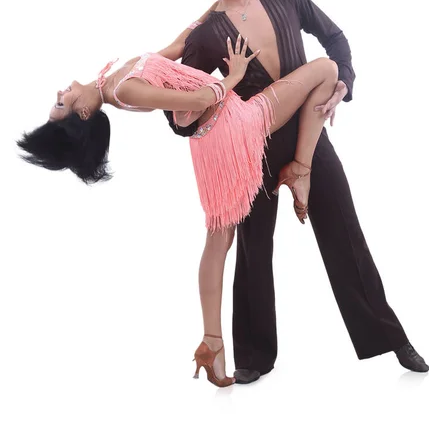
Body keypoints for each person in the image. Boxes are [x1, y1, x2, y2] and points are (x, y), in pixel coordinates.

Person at [163, 0, 429, 383]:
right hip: (251, 151)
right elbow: (177, 110)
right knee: (253, 250)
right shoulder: (207, 33)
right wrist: (217, 97)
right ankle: (253, 357)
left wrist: (343, 82)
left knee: (345, 234)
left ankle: (390, 337)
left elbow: (336, 39)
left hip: (310, 141)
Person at [18, 34, 338, 387]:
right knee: (326, 69)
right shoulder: (123, 91)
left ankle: (211, 345)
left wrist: (212, 11)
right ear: (82, 113)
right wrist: (235, 75)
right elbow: (201, 98)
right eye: (60, 105)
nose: (59, 94)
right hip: (233, 126)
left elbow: (175, 48)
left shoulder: (111, 78)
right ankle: (301, 170)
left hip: (211, 139)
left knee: (218, 243)